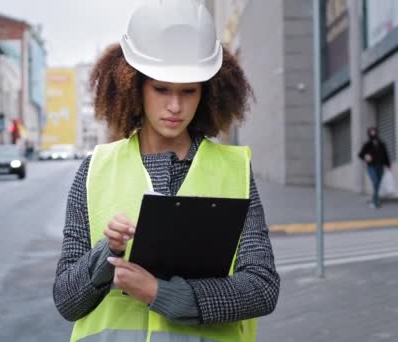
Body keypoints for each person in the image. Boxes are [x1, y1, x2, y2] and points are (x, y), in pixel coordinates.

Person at [52, 2, 280, 341]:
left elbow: (262, 288)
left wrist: (161, 294)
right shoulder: (95, 169)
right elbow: (67, 301)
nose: (175, 106)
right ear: (134, 86)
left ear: (207, 92)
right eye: (161, 89)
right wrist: (107, 252)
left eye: (188, 91)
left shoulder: (234, 170)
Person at [358, 127, 392, 208]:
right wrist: (366, 156)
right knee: (375, 182)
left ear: (377, 132)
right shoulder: (367, 144)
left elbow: (386, 154)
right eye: (371, 132)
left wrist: (388, 165)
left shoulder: (382, 143)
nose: (373, 133)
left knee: (377, 184)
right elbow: (360, 154)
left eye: (374, 131)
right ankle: (376, 202)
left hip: (381, 166)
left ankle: (374, 200)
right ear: (369, 133)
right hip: (371, 166)